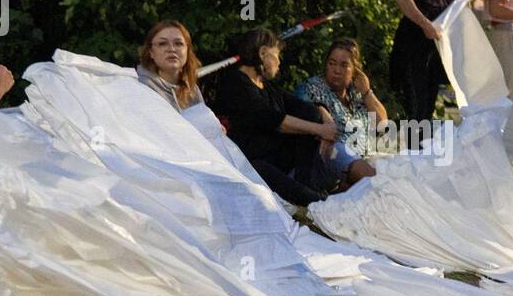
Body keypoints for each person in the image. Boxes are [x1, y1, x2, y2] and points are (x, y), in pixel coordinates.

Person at [210, 28, 342, 207]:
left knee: (310, 116)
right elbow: (270, 118)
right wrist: (320, 130)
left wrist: (325, 119)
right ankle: (317, 201)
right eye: (277, 55)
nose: (279, 62)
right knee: (261, 170)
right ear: (263, 53)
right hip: (252, 162)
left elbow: (304, 108)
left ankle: (311, 188)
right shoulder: (235, 82)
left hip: (279, 156)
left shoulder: (267, 86)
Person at [391, 0, 471, 146]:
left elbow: (453, 13)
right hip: (412, 49)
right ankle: (412, 156)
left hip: (435, 53)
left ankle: (422, 156)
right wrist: (424, 23)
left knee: (427, 105)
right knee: (415, 106)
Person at [296, 38, 387, 184]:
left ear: (355, 70)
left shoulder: (357, 92)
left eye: (344, 65)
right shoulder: (312, 87)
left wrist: (367, 91)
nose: (337, 70)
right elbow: (306, 115)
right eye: (332, 63)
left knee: (397, 167)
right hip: (333, 155)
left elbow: (383, 126)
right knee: (372, 177)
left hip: (365, 155)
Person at [137, 19, 203, 113]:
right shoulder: (141, 87)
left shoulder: (192, 90)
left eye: (178, 43)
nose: (171, 49)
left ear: (187, 50)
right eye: (162, 44)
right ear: (151, 52)